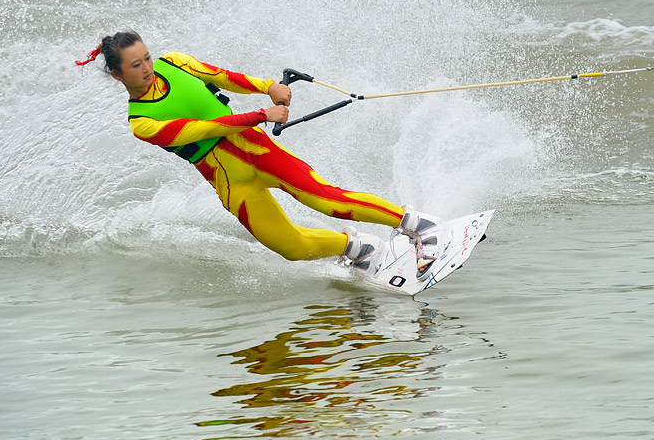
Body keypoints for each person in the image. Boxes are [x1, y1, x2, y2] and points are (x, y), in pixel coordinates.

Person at [76, 30, 441, 275]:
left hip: (255, 150)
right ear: (117, 74)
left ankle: (418, 227)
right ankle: (357, 248)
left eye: (147, 57)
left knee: (323, 199)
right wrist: (261, 114)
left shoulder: (176, 62)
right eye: (136, 65)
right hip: (229, 181)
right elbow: (206, 128)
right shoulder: (142, 122)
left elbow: (224, 77)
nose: (148, 68)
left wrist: (268, 87)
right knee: (291, 247)